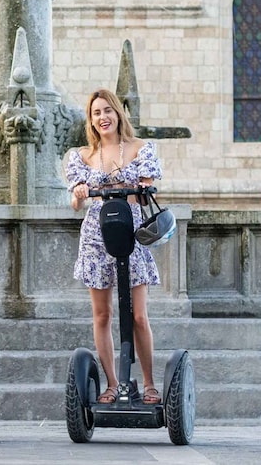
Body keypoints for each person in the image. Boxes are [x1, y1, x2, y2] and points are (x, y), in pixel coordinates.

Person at [65, 88, 163, 405]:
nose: (103, 117)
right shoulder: (81, 157)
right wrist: (79, 194)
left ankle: (148, 383)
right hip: (96, 236)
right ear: (90, 121)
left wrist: (123, 187)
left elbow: (144, 191)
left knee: (138, 316)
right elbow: (76, 204)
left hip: (132, 234)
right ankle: (112, 383)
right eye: (96, 113)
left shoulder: (140, 149)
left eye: (107, 110)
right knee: (102, 315)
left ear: (118, 113)